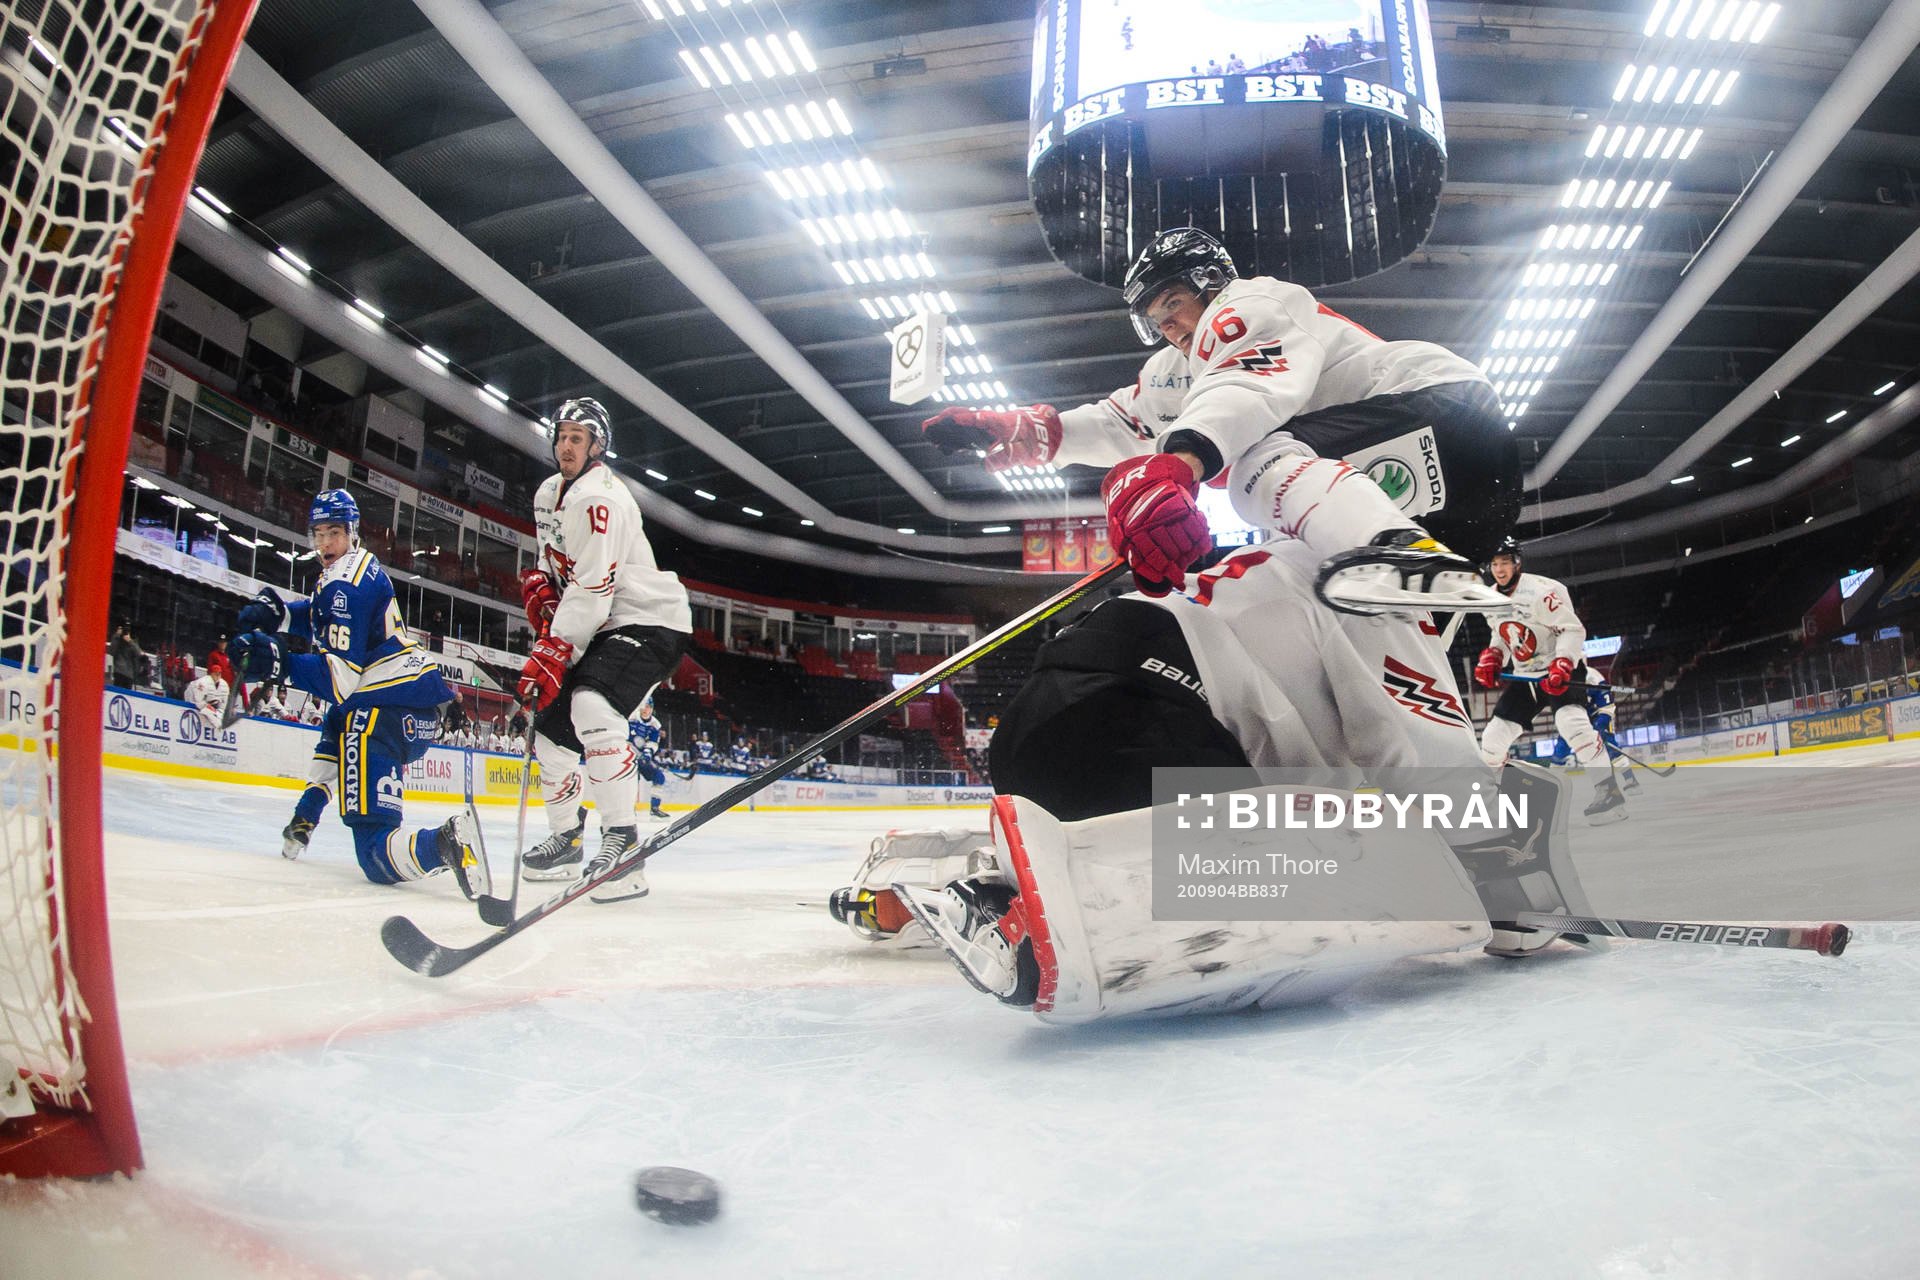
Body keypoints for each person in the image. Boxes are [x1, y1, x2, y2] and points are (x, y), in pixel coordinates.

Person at [892, 537, 1600, 1019]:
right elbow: (1415, 758)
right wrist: (1505, 888)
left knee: (1275, 850)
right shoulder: (1382, 598)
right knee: (1296, 914)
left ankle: (990, 883)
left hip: (1050, 715)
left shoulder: (1295, 556)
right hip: (1144, 715)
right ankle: (1028, 921)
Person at [921, 226, 1519, 613]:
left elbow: (1242, 385)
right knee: (1365, 631)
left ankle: (1399, 553)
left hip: (1445, 415)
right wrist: (1026, 432)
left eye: (1174, 304)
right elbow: (1119, 423)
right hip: (1464, 509)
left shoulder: (1252, 302)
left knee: (1251, 469)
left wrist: (1177, 467)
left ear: (1209, 285)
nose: (1169, 328)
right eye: (1156, 321)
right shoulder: (1174, 374)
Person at [229, 489, 489, 898]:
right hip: (410, 712)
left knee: (374, 855)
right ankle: (304, 818)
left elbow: (339, 680)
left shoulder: (343, 585)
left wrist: (278, 662)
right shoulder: (356, 569)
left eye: (334, 532)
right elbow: (321, 617)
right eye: (319, 533)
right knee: (337, 721)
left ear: (351, 532)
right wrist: (279, 613)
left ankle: (444, 842)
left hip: (381, 712)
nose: (325, 543)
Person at [515, 398, 692, 903]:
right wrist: (542, 586)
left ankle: (624, 849)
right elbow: (559, 568)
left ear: (597, 446)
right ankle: (567, 840)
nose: (566, 446)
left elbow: (592, 589)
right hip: (604, 623)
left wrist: (554, 652)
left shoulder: (602, 499)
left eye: (577, 438)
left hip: (650, 619)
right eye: (562, 436)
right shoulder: (549, 493)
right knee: (548, 739)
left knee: (590, 703)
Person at [1471, 537, 1627, 823]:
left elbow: (1572, 629)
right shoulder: (1490, 599)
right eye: (1495, 563)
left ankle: (1609, 793)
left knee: (1572, 725)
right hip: (1526, 674)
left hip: (1560, 668)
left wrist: (1564, 662)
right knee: (1493, 737)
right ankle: (1493, 803)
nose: (1500, 569)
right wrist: (1494, 654)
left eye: (1505, 562)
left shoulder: (1542, 592)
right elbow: (1504, 633)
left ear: (1517, 563)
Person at [627, 694, 671, 820]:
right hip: (627, 756)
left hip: (642, 757)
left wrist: (647, 754)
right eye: (644, 706)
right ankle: (629, 809)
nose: (646, 709)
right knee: (632, 780)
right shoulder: (631, 717)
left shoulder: (655, 724)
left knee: (659, 777)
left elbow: (652, 742)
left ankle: (654, 809)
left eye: (649, 707)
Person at [181, 664, 227, 730]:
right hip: (191, 697)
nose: (218, 675)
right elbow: (198, 701)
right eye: (216, 673)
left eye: (219, 673)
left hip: (203, 700)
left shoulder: (222, 685)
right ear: (211, 674)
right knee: (206, 710)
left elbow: (222, 706)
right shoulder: (203, 682)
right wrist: (209, 708)